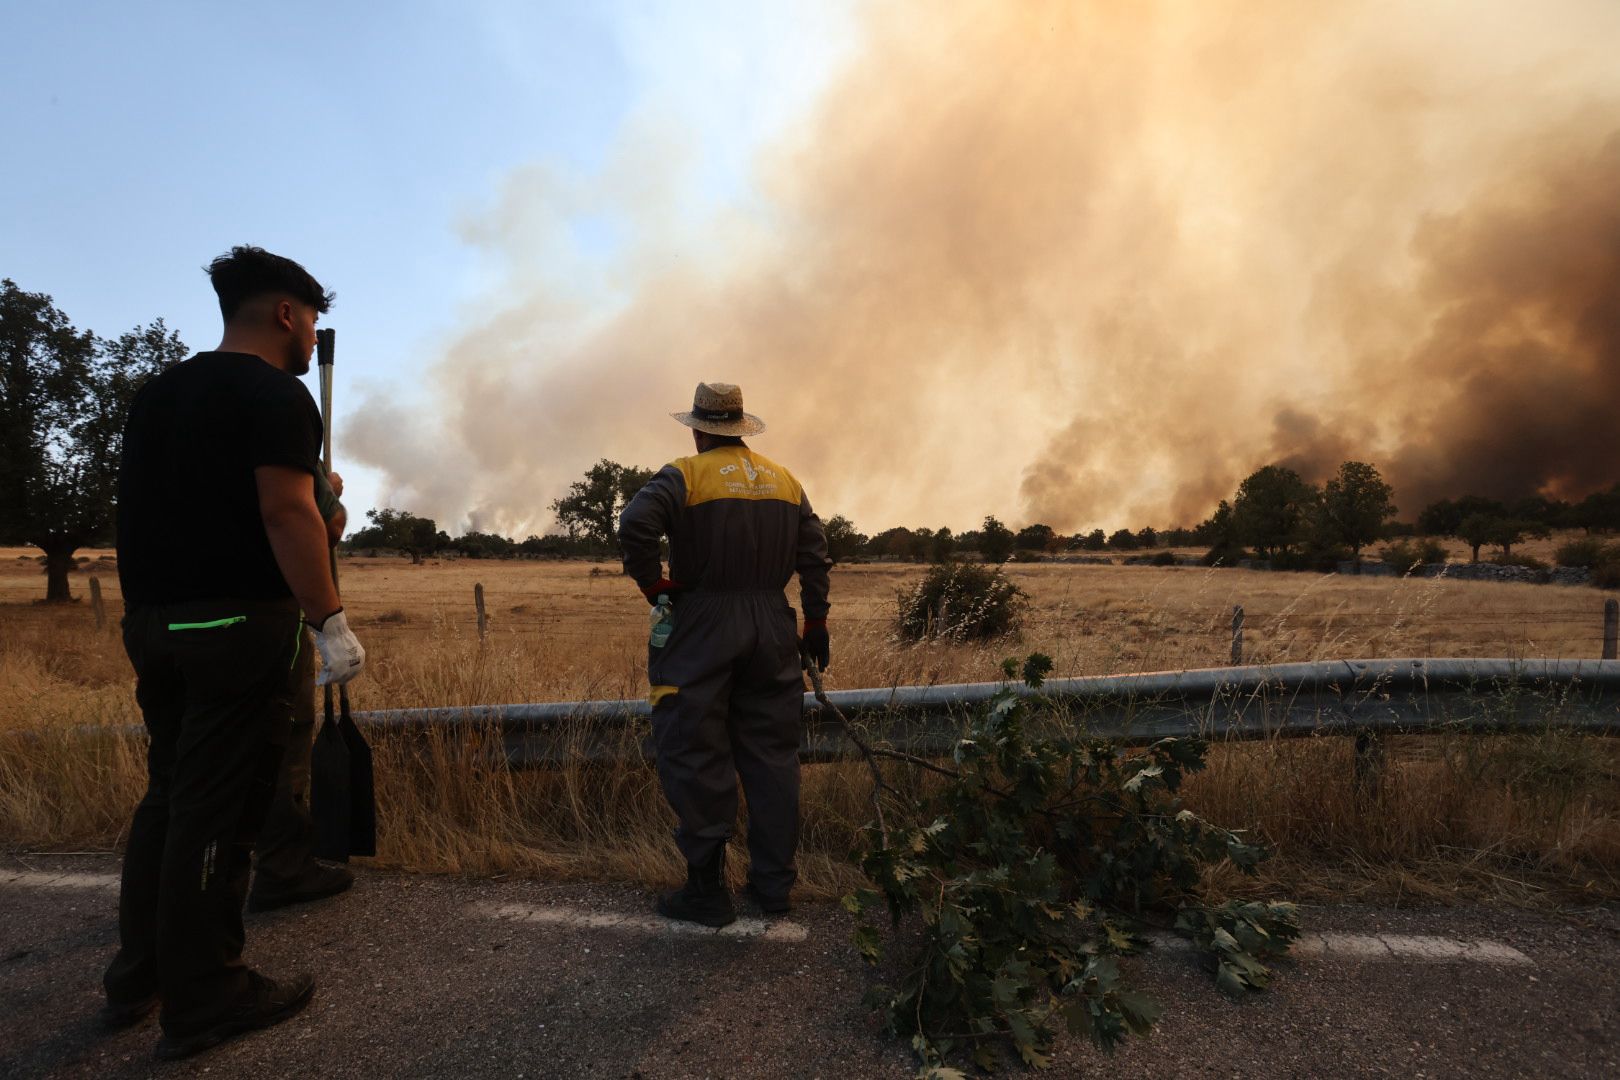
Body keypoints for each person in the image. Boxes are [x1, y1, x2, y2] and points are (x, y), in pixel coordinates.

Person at [103, 246, 366, 1060]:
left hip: (155, 624)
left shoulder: (159, 394)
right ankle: (205, 994)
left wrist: (322, 509)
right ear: (287, 313)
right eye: (311, 317)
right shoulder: (275, 394)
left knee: (170, 797)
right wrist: (329, 618)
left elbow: (254, 507)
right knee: (218, 812)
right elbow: (284, 516)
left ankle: (138, 974)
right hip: (237, 628)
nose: (311, 332)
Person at [618, 381, 831, 927]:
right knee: (772, 756)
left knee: (692, 745)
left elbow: (636, 523)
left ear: (697, 430)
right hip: (773, 624)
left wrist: (652, 584)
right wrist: (816, 620)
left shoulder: (684, 475)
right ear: (740, 426)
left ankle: (707, 892)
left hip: (706, 620)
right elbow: (815, 554)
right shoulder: (786, 481)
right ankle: (774, 886)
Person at [247, 468, 355, 912]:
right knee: (286, 735)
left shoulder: (161, 416)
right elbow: (322, 525)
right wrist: (325, 495)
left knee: (184, 757)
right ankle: (282, 868)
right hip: (260, 613)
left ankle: (171, 887)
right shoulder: (272, 411)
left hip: (163, 615)